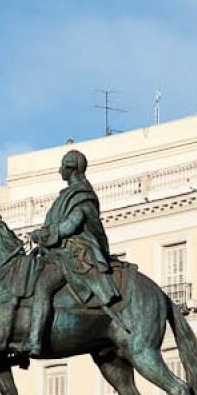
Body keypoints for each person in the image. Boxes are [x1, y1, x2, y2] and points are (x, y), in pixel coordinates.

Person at [28, 149, 121, 356]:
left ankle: (34, 340)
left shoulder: (82, 194)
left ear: (70, 169)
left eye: (62, 166)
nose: (59, 170)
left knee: (43, 286)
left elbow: (72, 224)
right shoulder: (68, 194)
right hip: (58, 249)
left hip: (76, 251)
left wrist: (46, 235)